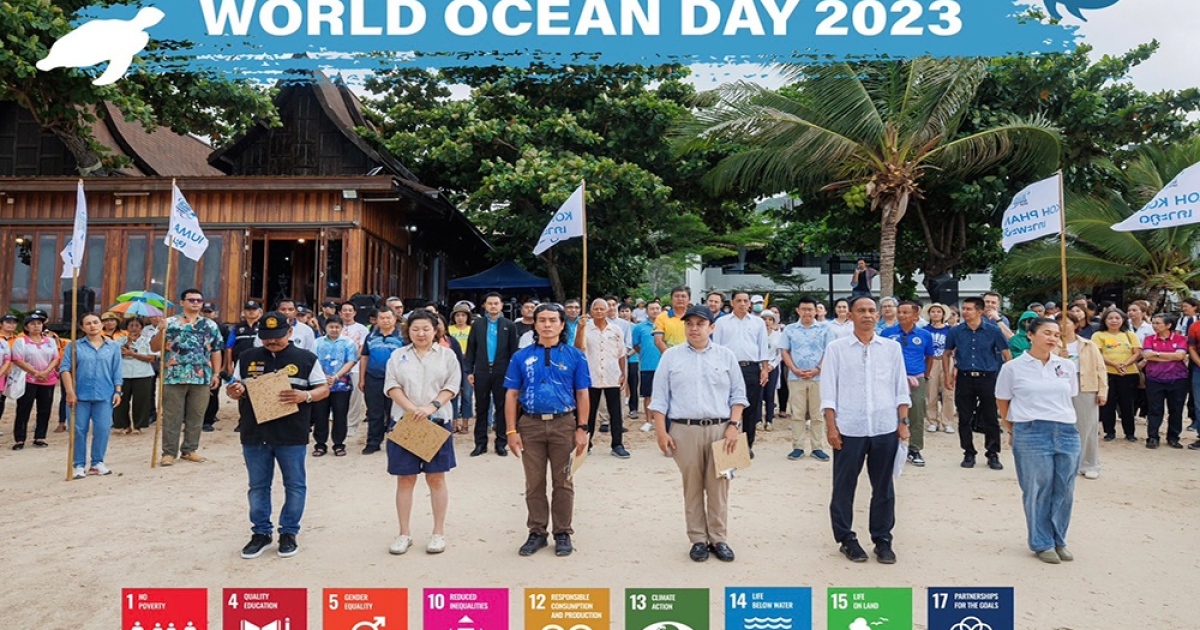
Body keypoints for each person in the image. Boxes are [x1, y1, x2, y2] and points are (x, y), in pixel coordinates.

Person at [226, 312, 329, 559]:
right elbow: (235, 387)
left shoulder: (306, 358)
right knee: (257, 486)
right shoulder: (247, 357)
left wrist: (305, 396)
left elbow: (323, 389)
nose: (272, 341)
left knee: (294, 484)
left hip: (292, 432)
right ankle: (261, 533)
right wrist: (235, 390)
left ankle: (289, 532)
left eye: (277, 336)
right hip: (255, 431)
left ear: (290, 332)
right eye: (267, 337)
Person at [650, 305, 747, 563]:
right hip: (684, 430)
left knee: (720, 486)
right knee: (692, 486)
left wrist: (733, 426)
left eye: (700, 324)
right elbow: (659, 398)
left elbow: (738, 395)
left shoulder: (726, 356)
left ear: (712, 327)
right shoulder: (670, 357)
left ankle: (718, 538)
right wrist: (661, 432)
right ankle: (698, 540)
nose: (694, 328)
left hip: (722, 430)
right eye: (689, 323)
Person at [821, 296, 911, 564]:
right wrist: (831, 426)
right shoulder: (836, 349)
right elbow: (828, 390)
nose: (867, 315)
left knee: (884, 487)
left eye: (872, 310)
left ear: (878, 316)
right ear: (850, 315)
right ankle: (846, 538)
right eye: (861, 310)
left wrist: (903, 422)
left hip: (884, 426)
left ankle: (882, 539)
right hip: (849, 428)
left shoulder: (891, 348)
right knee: (844, 486)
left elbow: (900, 388)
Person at [504, 303, 591, 557]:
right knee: (534, 482)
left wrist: (582, 428)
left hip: (564, 424)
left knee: (563, 481)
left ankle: (562, 532)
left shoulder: (575, 356)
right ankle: (537, 531)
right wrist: (511, 431)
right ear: (534, 324)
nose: (547, 325)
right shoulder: (521, 357)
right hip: (530, 425)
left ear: (562, 325)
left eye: (553, 320)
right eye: (542, 320)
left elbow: (583, 393)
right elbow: (511, 395)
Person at [996, 318, 1080, 564]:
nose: (1053, 338)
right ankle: (1042, 541)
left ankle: (1059, 539)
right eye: (1046, 333)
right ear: (1031, 335)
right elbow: (1002, 400)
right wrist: (1012, 428)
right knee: (1037, 488)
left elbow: (1071, 395)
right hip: (1031, 430)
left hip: (1066, 430)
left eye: (1056, 334)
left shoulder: (1066, 365)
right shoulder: (1013, 368)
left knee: (1065, 488)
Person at [382, 311, 461, 555]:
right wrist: (411, 409)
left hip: (436, 422)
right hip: (405, 422)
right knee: (405, 479)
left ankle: (438, 532)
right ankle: (404, 533)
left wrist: (430, 407)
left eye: (426, 328)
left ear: (436, 330)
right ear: (408, 331)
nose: (421, 333)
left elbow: (452, 386)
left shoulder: (447, 355)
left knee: (436, 478)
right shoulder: (398, 355)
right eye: (415, 329)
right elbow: (391, 385)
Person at [151, 288, 223, 466]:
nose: (196, 303)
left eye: (199, 300)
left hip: (201, 376)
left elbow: (216, 350)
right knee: (172, 416)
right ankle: (169, 452)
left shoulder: (210, 325)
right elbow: (154, 347)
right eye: (191, 300)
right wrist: (161, 331)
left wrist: (216, 373)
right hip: (174, 375)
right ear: (182, 302)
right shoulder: (170, 322)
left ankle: (190, 449)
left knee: (196, 415)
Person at [944, 297, 1012, 470]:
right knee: (964, 417)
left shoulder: (993, 330)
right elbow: (947, 353)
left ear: (980, 311)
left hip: (987, 377)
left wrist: (1008, 377)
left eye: (969, 309)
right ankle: (968, 451)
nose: (965, 312)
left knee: (990, 417)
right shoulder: (956, 331)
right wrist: (947, 375)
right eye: (964, 308)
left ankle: (993, 453)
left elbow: (1006, 353)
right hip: (965, 376)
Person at [61, 313, 123, 479]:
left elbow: (117, 370)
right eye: (88, 323)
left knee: (103, 428)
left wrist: (118, 391)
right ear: (82, 327)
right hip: (79, 395)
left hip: (105, 393)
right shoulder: (74, 346)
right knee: (78, 430)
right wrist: (69, 392)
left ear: (101, 324)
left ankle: (97, 462)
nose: (92, 326)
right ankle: (78, 464)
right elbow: (65, 369)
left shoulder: (113, 346)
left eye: (95, 322)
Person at [712, 291, 769, 457]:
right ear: (732, 303)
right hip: (727, 368)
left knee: (750, 408)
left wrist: (764, 369)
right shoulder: (721, 322)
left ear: (750, 303)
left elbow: (763, 347)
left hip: (751, 368)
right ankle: (726, 443)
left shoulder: (758, 322)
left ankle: (747, 446)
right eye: (739, 301)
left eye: (745, 301)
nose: (742, 304)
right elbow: (716, 347)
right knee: (727, 407)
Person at [465, 292, 520, 457]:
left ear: (502, 305)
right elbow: (471, 348)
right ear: (484, 306)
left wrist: (514, 373)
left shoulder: (509, 325)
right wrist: (469, 370)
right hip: (482, 370)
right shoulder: (477, 325)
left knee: (502, 407)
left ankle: (501, 443)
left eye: (496, 303)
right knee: (481, 407)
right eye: (490, 303)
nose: (493, 306)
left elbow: (514, 351)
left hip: (502, 371)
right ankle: (480, 444)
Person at [881, 301, 935, 467]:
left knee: (917, 412)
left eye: (905, 312)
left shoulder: (925, 335)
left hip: (916, 379)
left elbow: (930, 357)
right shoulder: (887, 333)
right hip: (892, 379)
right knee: (890, 412)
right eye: (900, 312)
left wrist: (925, 375)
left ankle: (914, 448)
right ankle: (890, 447)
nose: (901, 315)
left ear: (915, 315)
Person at [1056, 309, 1107, 479]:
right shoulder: (1052, 344)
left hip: (1085, 384)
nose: (1062, 326)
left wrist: (1102, 391)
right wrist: (1058, 356)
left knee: (1087, 426)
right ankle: (1066, 462)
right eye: (1059, 323)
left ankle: (1089, 463)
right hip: (1059, 385)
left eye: (1066, 322)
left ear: (1076, 325)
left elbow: (1100, 368)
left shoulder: (1088, 344)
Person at [578, 299, 630, 458]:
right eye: (596, 309)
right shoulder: (585, 328)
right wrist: (580, 329)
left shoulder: (615, 330)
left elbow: (621, 353)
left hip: (612, 375)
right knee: (589, 412)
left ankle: (617, 444)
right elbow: (578, 348)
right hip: (591, 376)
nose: (599, 311)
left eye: (602, 309)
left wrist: (623, 374)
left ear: (608, 311)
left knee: (615, 412)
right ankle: (586, 443)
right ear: (591, 311)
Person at [780, 296, 830, 462]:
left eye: (810, 309)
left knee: (817, 414)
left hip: (819, 377)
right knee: (797, 413)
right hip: (796, 377)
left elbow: (829, 351)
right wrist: (794, 369)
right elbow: (784, 351)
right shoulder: (790, 329)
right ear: (798, 310)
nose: (807, 312)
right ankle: (798, 447)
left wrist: (817, 369)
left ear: (816, 311)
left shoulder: (825, 329)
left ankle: (817, 447)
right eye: (804, 309)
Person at [10, 311, 60, 450]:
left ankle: (40, 437)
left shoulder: (50, 341)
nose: (36, 326)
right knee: (23, 409)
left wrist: (46, 371)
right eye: (32, 324)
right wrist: (36, 373)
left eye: (39, 323)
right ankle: (20, 439)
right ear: (26, 327)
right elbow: (18, 360)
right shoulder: (21, 341)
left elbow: (56, 358)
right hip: (28, 379)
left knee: (45, 409)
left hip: (48, 379)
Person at [360, 308, 405, 455]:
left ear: (394, 319)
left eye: (388, 318)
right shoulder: (371, 337)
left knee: (395, 412)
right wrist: (362, 379)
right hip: (373, 378)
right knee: (374, 412)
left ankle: (397, 442)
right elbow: (364, 357)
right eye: (382, 318)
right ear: (377, 320)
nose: (385, 321)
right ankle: (373, 442)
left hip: (396, 380)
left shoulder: (402, 337)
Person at [1092, 308, 1141, 442]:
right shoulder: (1098, 335)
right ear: (1104, 320)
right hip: (1107, 373)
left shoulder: (1130, 335)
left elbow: (1137, 353)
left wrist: (1124, 364)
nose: (1114, 321)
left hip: (1128, 373)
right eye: (1110, 318)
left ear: (1123, 320)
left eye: (1117, 318)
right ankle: (1109, 432)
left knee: (1128, 404)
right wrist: (1114, 365)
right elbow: (1097, 354)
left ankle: (1130, 433)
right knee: (1108, 404)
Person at [1142, 313, 1188, 449]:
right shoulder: (1149, 339)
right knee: (1154, 409)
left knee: (1176, 409)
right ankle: (1152, 437)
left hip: (1177, 378)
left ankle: (1173, 437)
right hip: (1154, 378)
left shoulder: (1180, 339)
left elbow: (1180, 355)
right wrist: (1170, 356)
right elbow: (1147, 355)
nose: (1154, 326)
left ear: (1168, 325)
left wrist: (1156, 354)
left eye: (1158, 323)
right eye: (1153, 323)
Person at [312, 319, 357, 457]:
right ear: (326, 328)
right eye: (331, 327)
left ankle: (339, 444)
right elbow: (312, 360)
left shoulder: (348, 343)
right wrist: (323, 376)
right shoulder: (317, 342)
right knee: (320, 415)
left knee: (340, 415)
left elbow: (351, 361)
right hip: (320, 384)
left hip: (341, 386)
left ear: (341, 328)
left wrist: (336, 376)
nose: (334, 329)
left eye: (337, 327)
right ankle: (320, 444)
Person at [114, 318, 157, 434]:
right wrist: (127, 344)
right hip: (123, 373)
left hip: (143, 374)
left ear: (141, 328)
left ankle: (139, 425)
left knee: (141, 401)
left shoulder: (147, 341)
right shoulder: (119, 341)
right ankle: (123, 425)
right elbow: (114, 355)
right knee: (121, 401)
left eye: (137, 326)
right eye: (131, 325)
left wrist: (133, 354)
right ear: (127, 327)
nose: (134, 328)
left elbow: (152, 358)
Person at [336, 302, 370, 438]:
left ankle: (352, 425)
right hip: (337, 367)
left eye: (350, 310)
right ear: (340, 313)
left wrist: (351, 362)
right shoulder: (335, 327)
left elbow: (362, 348)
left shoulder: (362, 329)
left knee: (356, 396)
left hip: (356, 367)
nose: (347, 313)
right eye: (344, 310)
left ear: (355, 313)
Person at [924, 303, 957, 434]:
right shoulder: (924, 330)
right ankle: (932, 421)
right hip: (931, 360)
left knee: (948, 392)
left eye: (939, 311)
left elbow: (956, 347)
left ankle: (947, 421)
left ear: (943, 314)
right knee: (930, 392)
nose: (936, 314)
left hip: (947, 360)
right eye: (933, 311)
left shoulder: (951, 330)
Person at [633, 300, 663, 432]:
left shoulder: (665, 325)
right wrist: (644, 354)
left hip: (664, 365)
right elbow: (635, 345)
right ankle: (649, 421)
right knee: (648, 394)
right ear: (646, 311)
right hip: (647, 365)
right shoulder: (639, 327)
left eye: (657, 308)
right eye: (652, 308)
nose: (655, 311)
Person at [201, 302, 228, 432]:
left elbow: (226, 349)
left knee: (212, 393)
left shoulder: (222, 328)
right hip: (198, 366)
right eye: (205, 312)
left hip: (215, 364)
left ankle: (208, 420)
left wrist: (224, 366)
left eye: (209, 312)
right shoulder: (195, 326)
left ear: (215, 313)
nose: (207, 314)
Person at [448, 303, 474, 434]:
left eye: (463, 315)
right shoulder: (449, 330)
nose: (460, 318)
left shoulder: (472, 330)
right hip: (452, 362)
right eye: (457, 315)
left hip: (468, 363)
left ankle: (465, 423)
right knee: (452, 393)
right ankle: (453, 422)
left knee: (467, 395)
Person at [618, 303, 641, 420]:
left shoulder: (635, 327)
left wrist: (627, 355)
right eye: (622, 311)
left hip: (632, 359)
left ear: (631, 313)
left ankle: (633, 408)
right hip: (617, 360)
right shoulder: (615, 325)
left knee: (633, 384)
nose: (624, 313)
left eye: (627, 311)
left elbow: (637, 344)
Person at [761, 309, 783, 432]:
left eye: (770, 319)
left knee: (770, 395)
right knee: (759, 395)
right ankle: (758, 420)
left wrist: (772, 365)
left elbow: (780, 353)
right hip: (759, 367)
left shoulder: (778, 336)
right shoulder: (756, 335)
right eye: (764, 319)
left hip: (772, 367)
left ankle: (769, 420)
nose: (767, 322)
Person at [653, 286, 691, 353]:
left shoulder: (694, 317)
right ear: (671, 299)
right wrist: (670, 356)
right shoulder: (662, 317)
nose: (680, 299)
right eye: (676, 296)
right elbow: (658, 341)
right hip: (669, 356)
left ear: (689, 299)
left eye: (683, 296)